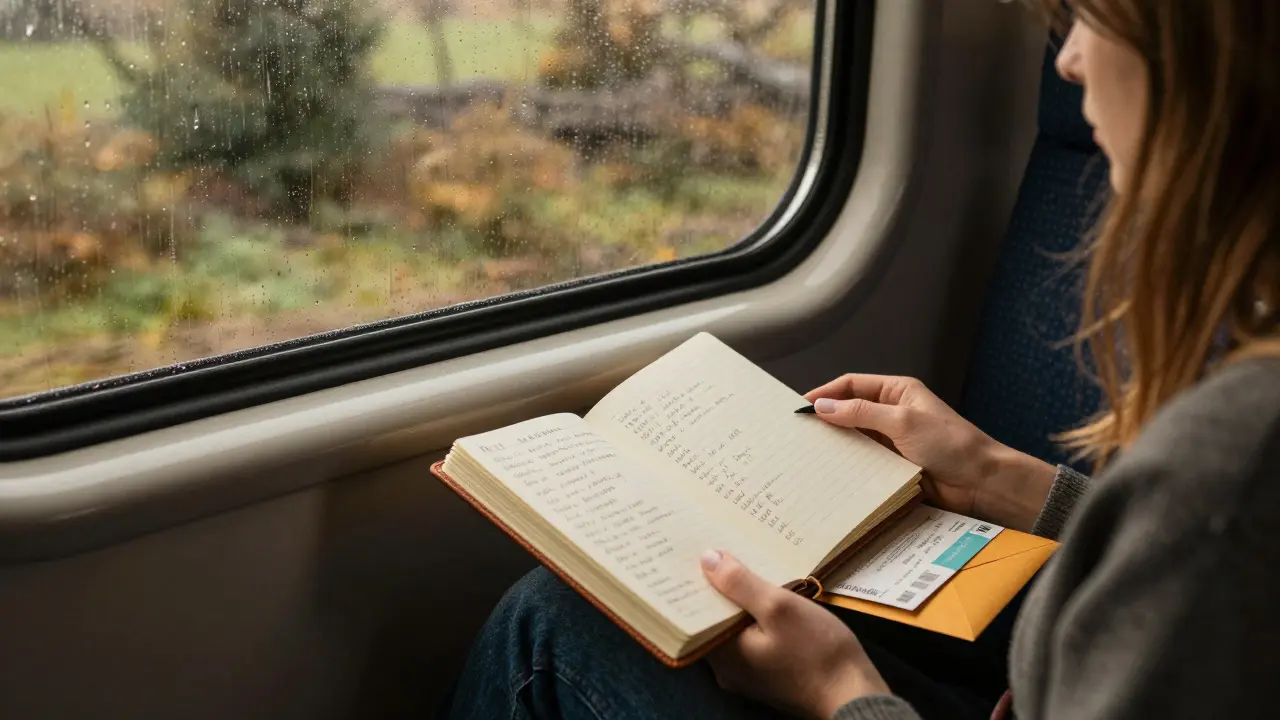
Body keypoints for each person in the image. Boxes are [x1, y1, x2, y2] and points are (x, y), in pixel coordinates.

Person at [445, 1, 1280, 717]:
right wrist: (1004, 479)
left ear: (1213, 63)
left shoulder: (1228, 467)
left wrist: (840, 690)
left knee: (545, 634)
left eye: (1095, 15)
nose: (1065, 61)